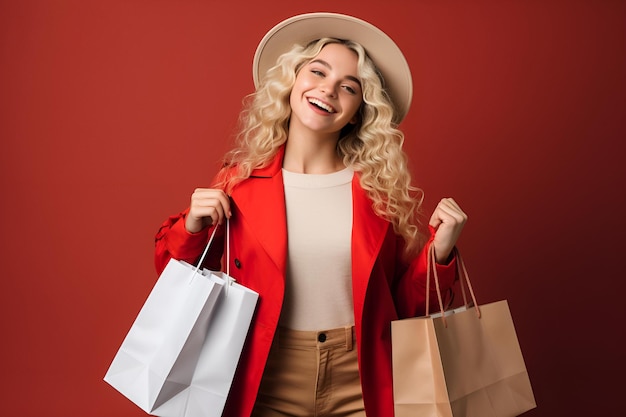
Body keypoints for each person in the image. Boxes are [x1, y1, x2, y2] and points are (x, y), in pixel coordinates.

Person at [154, 12, 467, 417]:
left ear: (357, 111)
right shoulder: (238, 183)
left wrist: (438, 256)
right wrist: (192, 227)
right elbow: (175, 283)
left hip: (362, 377)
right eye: (318, 71)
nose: (328, 90)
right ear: (292, 80)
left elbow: (402, 310)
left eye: (348, 87)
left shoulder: (377, 193)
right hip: (265, 371)